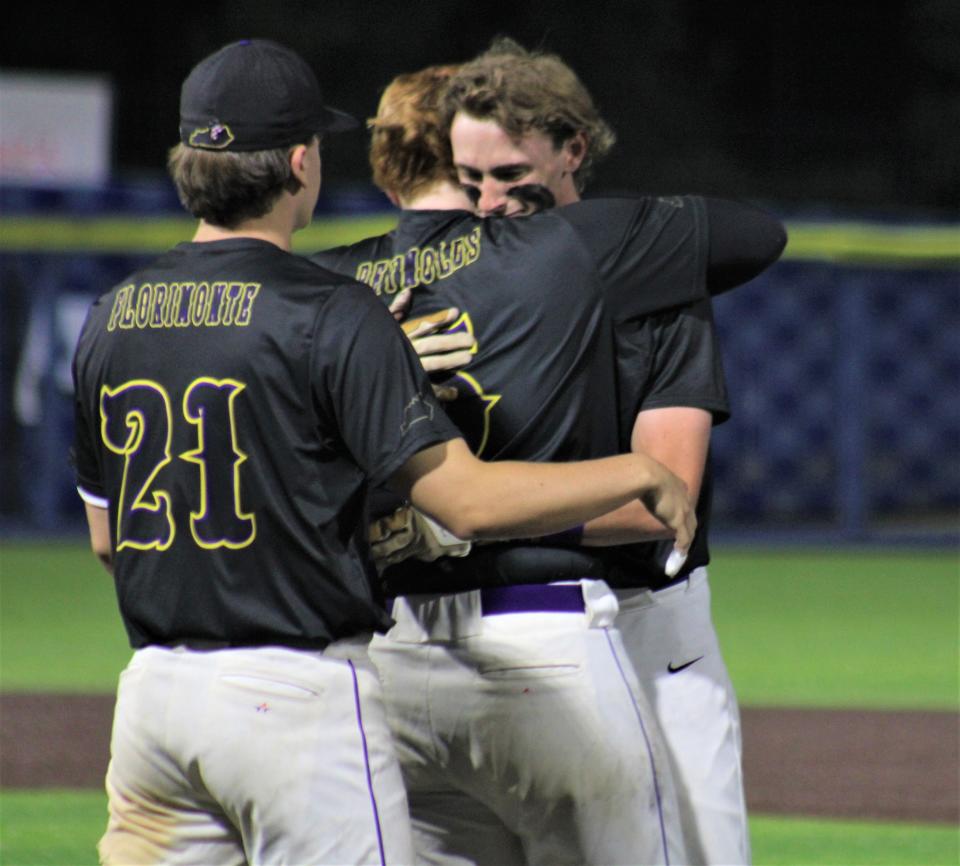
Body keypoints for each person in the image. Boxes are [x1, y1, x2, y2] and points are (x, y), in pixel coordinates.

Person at [70, 40, 698, 866]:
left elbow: (110, 541)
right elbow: (464, 504)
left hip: (152, 703)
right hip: (292, 697)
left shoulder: (110, 316)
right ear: (299, 163)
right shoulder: (331, 312)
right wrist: (635, 471)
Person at [311, 60, 784, 865]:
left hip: (642, 623)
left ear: (572, 151)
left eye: (511, 175)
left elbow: (655, 508)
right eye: (470, 180)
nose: (490, 203)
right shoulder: (431, 289)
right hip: (497, 632)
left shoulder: (655, 281)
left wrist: (462, 519)